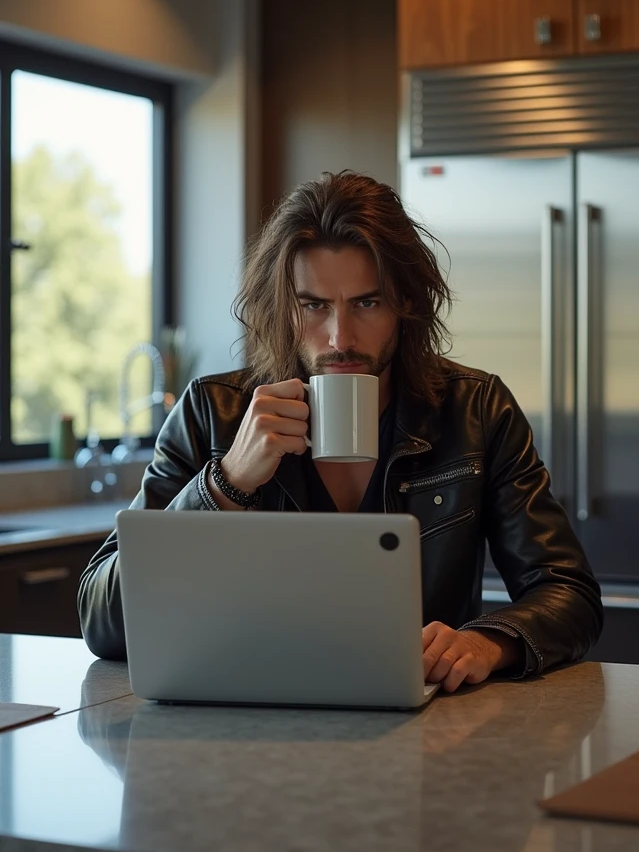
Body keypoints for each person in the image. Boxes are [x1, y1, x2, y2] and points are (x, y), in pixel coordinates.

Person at [78, 171, 603, 689]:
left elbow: (568, 593)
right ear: (282, 307)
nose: (340, 337)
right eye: (314, 305)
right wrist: (225, 484)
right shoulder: (213, 413)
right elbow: (104, 621)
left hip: (427, 727)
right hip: (246, 725)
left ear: (406, 306)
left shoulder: (476, 409)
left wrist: (489, 641)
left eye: (367, 303)